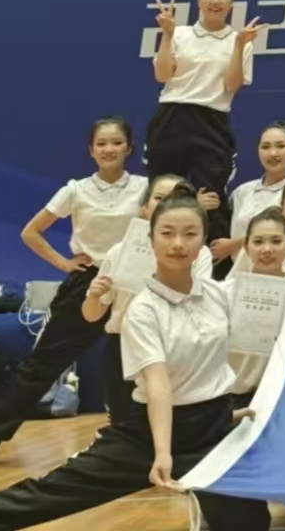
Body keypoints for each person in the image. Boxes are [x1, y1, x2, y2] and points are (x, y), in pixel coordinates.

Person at [0, 187, 272, 531]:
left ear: (203, 242)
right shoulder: (144, 310)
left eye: (190, 234)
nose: (178, 243)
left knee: (249, 521)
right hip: (147, 436)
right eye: (167, 233)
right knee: (47, 495)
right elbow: (157, 383)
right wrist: (163, 452)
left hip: (212, 433)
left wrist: (220, 411)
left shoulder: (218, 295)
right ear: (150, 240)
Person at [0, 117, 149, 469]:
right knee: (43, 364)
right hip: (87, 283)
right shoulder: (75, 190)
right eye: (101, 143)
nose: (109, 149)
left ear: (129, 147)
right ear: (91, 150)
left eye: (116, 142)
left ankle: (132, 442)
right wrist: (63, 263)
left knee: (133, 366)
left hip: (133, 285)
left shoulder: (145, 187)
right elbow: (31, 232)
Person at [145, 0, 266, 256]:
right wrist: (167, 34)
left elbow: (232, 85)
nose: (215, 1)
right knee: (164, 195)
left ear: (231, 2)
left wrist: (239, 46)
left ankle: (213, 270)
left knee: (210, 198)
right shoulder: (179, 33)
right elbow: (162, 75)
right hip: (171, 118)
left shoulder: (240, 40)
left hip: (212, 122)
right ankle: (157, 262)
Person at [80, 175, 215, 429]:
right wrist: (95, 296)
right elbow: (91, 315)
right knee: (124, 428)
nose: (167, 204)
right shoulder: (119, 251)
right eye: (159, 198)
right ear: (144, 207)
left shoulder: (199, 254)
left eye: (176, 198)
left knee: (168, 425)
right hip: (121, 347)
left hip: (173, 348)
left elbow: (199, 302)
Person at [227, 207, 285, 408]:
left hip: (279, 400)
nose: (266, 249)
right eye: (258, 242)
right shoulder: (225, 292)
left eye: (276, 241)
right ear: (246, 247)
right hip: (229, 397)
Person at [212, 120, 285, 273]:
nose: (273, 153)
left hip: (278, 274)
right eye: (266, 147)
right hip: (238, 274)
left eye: (280, 146)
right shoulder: (242, 192)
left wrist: (232, 245)